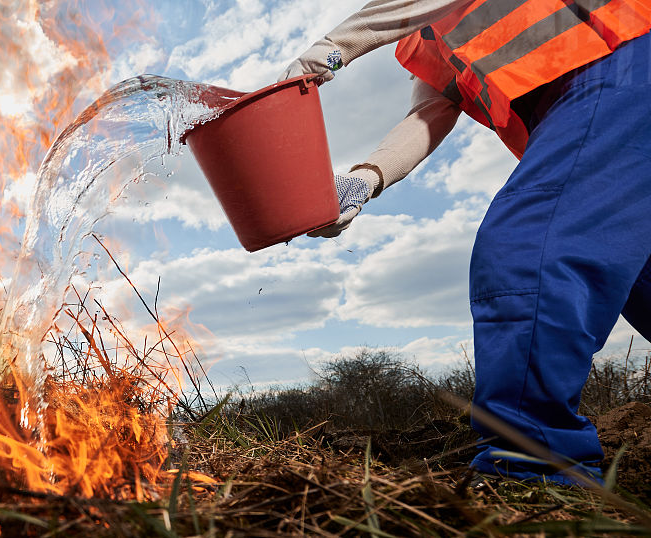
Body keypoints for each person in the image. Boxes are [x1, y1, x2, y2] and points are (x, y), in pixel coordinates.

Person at [279, 0, 651, 485]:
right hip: (606, 106)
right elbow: (426, 116)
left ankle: (534, 465)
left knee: (528, 249)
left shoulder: (409, 11)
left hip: (617, 67)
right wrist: (363, 181)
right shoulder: (428, 41)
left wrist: (327, 53)